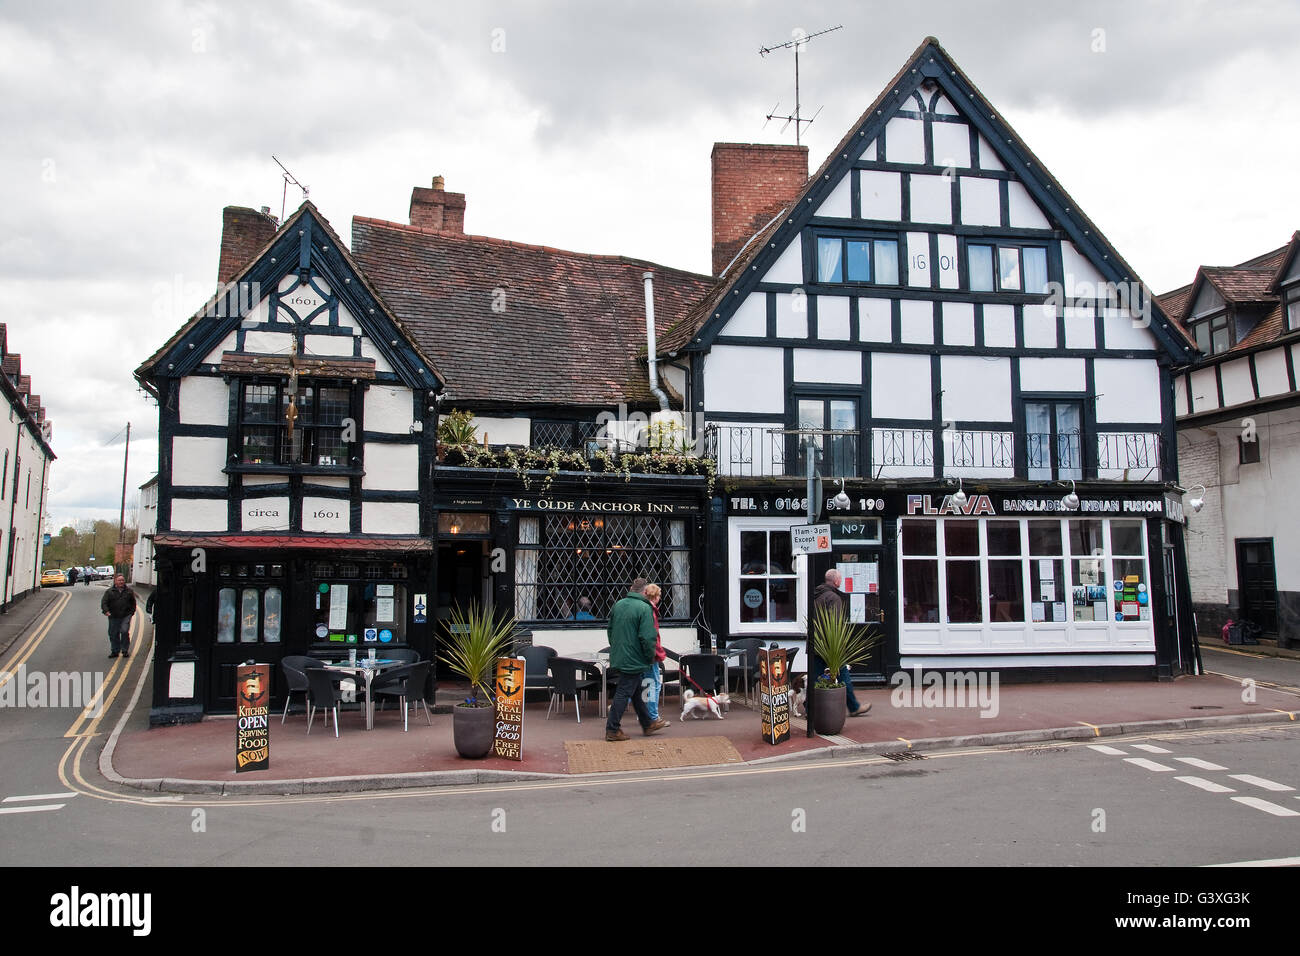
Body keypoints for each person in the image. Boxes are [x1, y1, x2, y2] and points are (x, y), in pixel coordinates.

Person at [604, 577, 669, 741]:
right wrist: (649, 657)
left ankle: (648, 723)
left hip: (620, 655)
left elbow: (610, 630)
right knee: (624, 691)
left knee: (636, 689)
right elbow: (648, 637)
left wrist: (617, 648)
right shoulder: (644, 608)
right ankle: (612, 729)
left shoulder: (618, 605)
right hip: (635, 658)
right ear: (645, 592)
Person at [812, 568, 870, 716]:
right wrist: (840, 645)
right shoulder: (834, 598)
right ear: (837, 581)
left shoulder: (816, 595)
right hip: (831, 647)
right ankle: (854, 707)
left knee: (816, 678)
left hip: (815, 643)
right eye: (841, 579)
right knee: (843, 674)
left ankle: (810, 709)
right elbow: (835, 624)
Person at [641, 583, 667, 723]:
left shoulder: (643, 609)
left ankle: (645, 714)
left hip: (643, 653)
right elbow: (652, 635)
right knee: (654, 684)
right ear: (656, 597)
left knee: (646, 683)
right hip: (651, 654)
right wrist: (658, 652)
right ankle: (652, 716)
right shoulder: (651, 611)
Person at [101, 574, 137, 659]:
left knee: (124, 631)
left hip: (126, 615)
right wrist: (106, 611)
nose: (121, 582)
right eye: (119, 580)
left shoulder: (129, 591)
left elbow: (133, 603)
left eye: (122, 580)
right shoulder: (109, 592)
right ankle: (115, 651)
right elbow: (104, 603)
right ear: (115, 581)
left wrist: (131, 612)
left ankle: (125, 650)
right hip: (113, 616)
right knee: (113, 634)